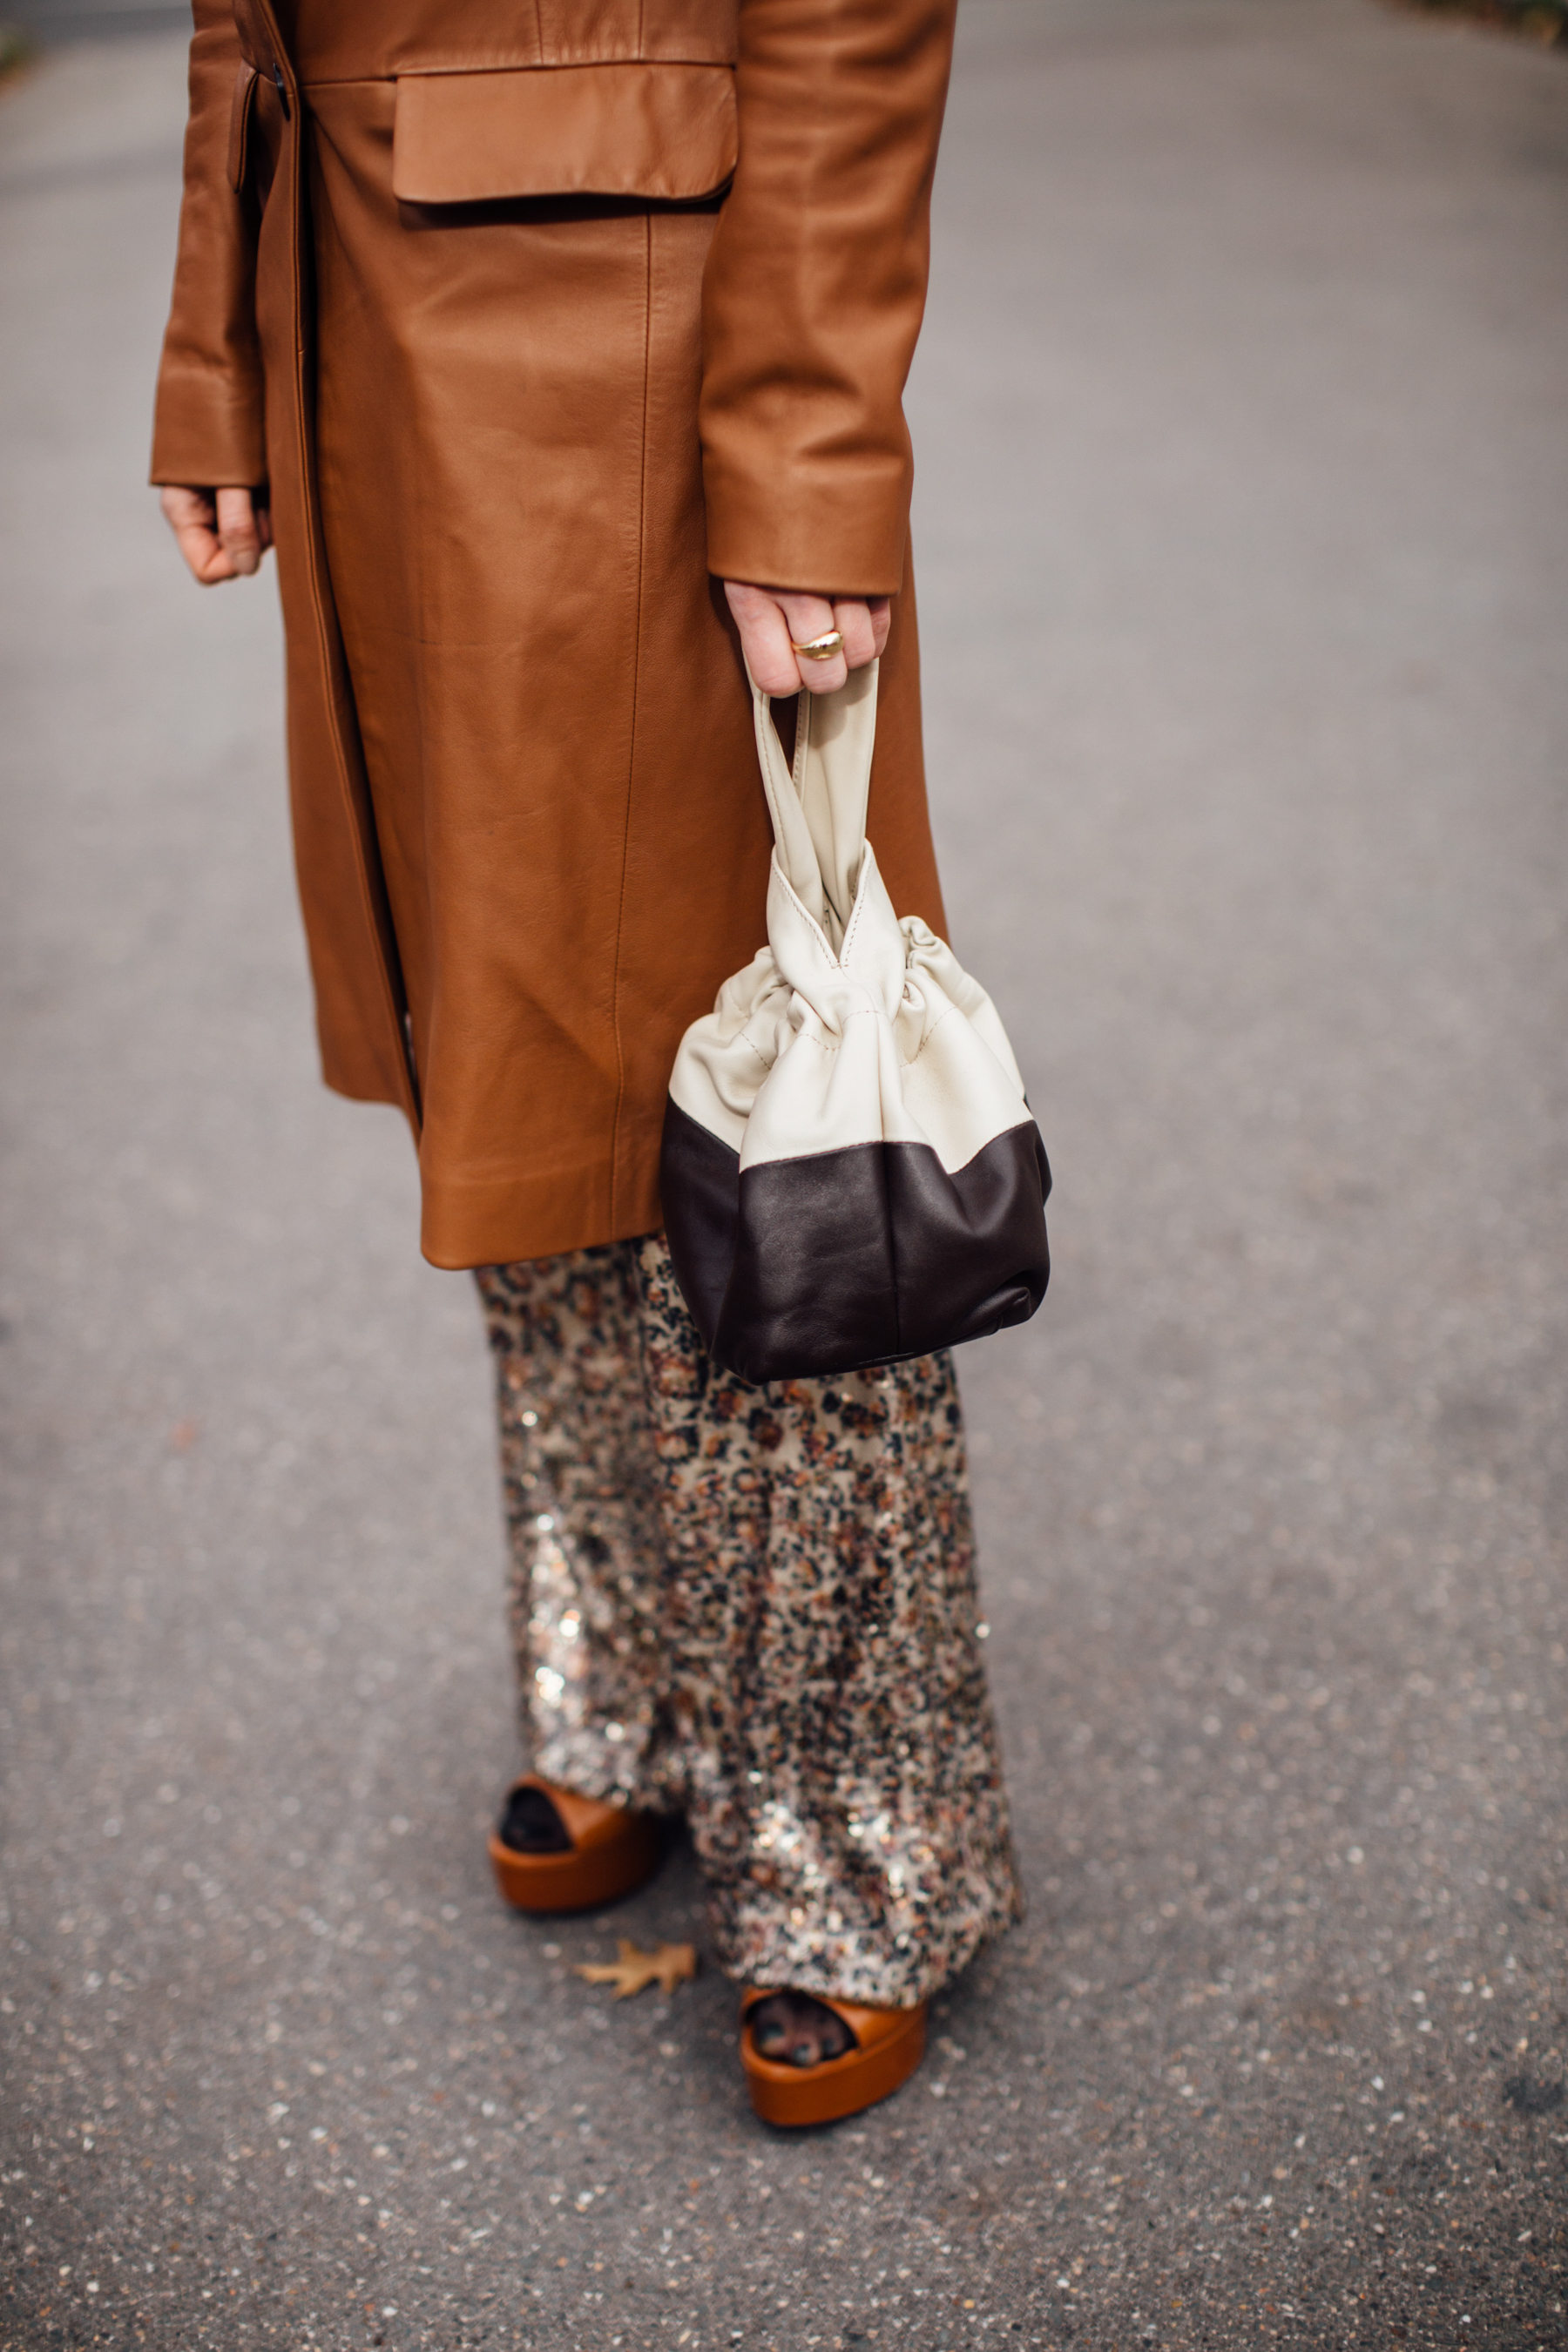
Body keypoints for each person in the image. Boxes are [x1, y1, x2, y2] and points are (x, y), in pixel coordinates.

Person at [153, 0, 1021, 2127]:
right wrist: (219, 331)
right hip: (359, 304)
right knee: (521, 1089)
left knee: (766, 1125)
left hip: (623, 349)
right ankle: (621, 1689)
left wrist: (811, 437)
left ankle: (853, 1854)